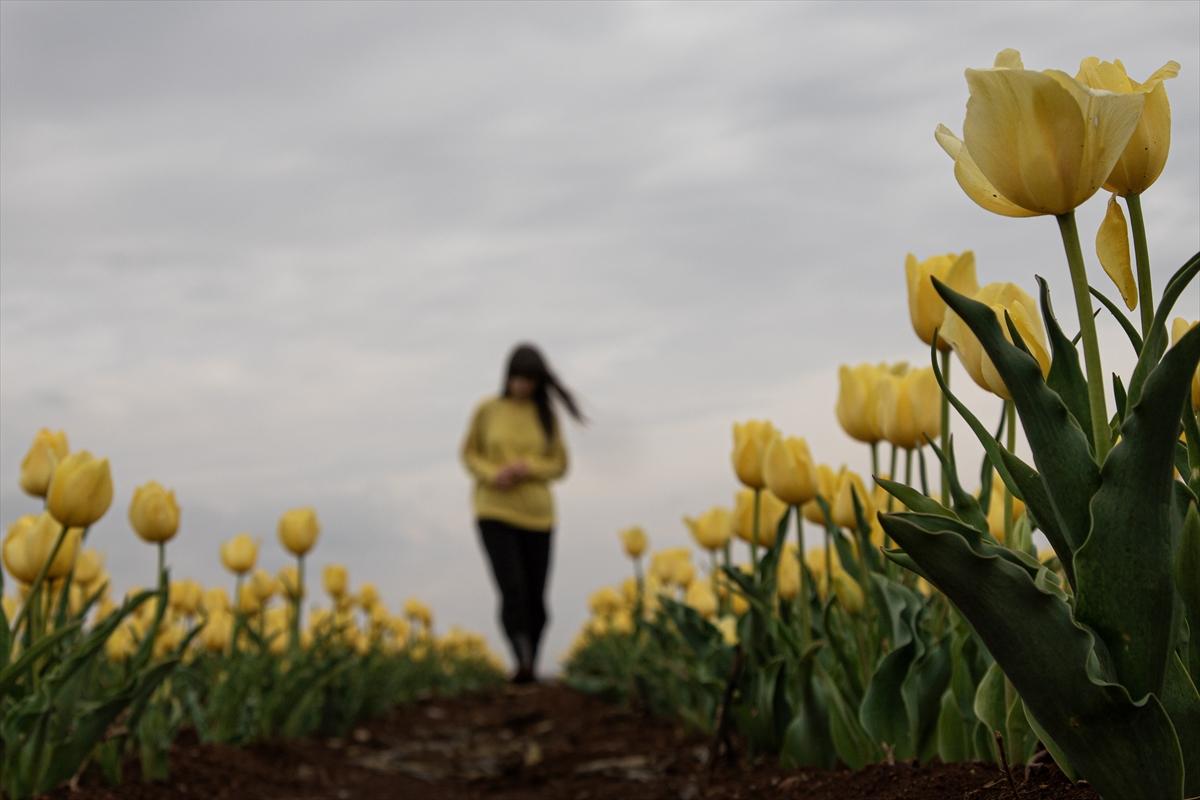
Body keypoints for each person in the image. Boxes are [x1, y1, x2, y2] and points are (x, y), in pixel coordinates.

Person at [460, 343, 584, 683]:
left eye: (529, 380)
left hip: (538, 515)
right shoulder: (487, 410)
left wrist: (527, 467)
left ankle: (532, 658)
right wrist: (492, 473)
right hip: (493, 510)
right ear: (507, 377)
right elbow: (469, 454)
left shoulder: (546, 417)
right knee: (511, 589)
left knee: (536, 597)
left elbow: (560, 465)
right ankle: (522, 661)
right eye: (517, 378)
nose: (522, 386)